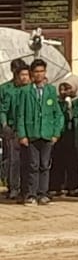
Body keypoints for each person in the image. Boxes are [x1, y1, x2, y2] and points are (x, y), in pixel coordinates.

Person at [14, 57, 62, 205]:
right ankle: (31, 194)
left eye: (42, 71)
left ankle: (43, 193)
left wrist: (56, 132)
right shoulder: (25, 92)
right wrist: (22, 134)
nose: (39, 74)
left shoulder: (51, 91)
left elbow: (57, 113)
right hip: (32, 134)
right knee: (32, 165)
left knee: (45, 164)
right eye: (36, 72)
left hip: (47, 134)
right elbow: (20, 114)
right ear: (32, 73)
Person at [1, 60, 30, 200]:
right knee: (13, 160)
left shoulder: (30, 89)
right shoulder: (6, 88)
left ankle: (28, 188)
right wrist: (4, 125)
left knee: (30, 161)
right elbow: (3, 109)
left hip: (30, 130)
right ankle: (13, 187)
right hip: (13, 130)